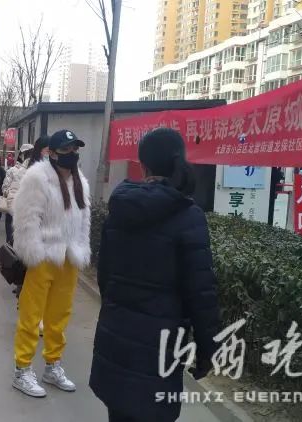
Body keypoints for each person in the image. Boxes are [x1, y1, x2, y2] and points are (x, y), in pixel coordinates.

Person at [89, 128, 220, 422]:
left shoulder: (119, 208)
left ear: (143, 165)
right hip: (160, 350)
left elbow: (104, 277)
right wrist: (207, 348)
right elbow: (201, 292)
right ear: (179, 161)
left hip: (116, 338)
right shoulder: (188, 216)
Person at [11, 129, 91, 398]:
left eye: (75, 149)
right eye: (66, 149)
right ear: (53, 153)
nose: (72, 154)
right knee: (31, 317)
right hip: (43, 256)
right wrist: (34, 252)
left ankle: (52, 365)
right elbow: (26, 217)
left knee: (58, 318)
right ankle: (22, 370)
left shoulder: (80, 181)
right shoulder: (37, 177)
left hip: (69, 258)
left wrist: (81, 247)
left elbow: (84, 219)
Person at [1, 143, 34, 245]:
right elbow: (4, 188)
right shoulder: (12, 171)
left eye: (31, 154)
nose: (28, 157)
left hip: (28, 211)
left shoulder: (35, 171)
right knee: (11, 240)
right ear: (21, 155)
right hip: (12, 208)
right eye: (26, 154)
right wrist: (13, 193)